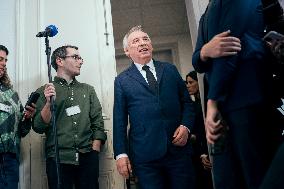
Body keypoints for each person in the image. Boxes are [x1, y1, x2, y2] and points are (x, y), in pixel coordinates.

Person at [192, 0, 279, 189]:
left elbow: (229, 51)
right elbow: (197, 61)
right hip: (220, 111)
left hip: (244, 102)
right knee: (225, 179)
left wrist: (212, 101)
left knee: (255, 176)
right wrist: (205, 51)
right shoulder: (206, 13)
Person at [113, 25, 196, 189]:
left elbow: (187, 104)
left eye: (145, 39)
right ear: (127, 51)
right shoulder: (122, 81)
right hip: (145, 157)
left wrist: (186, 126)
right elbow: (119, 120)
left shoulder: (170, 70)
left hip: (178, 151)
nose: (142, 43)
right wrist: (121, 154)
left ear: (151, 45)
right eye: (136, 41)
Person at [33, 45, 107, 189]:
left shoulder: (88, 90)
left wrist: (95, 150)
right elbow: (38, 127)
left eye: (80, 58)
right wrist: (48, 104)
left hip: (87, 157)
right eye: (75, 57)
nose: (80, 61)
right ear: (60, 61)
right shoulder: (44, 91)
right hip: (58, 158)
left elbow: (97, 122)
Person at [0, 45, 36, 189]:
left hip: (10, 158)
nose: (4, 63)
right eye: (0, 59)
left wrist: (27, 117)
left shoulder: (11, 94)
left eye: (5, 60)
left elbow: (21, 130)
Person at [185, 71, 213, 189]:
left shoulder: (205, 104)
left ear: (199, 82)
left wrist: (204, 152)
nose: (188, 85)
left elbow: (203, 129)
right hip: (196, 151)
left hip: (206, 148)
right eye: (187, 82)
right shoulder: (194, 104)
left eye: (191, 82)